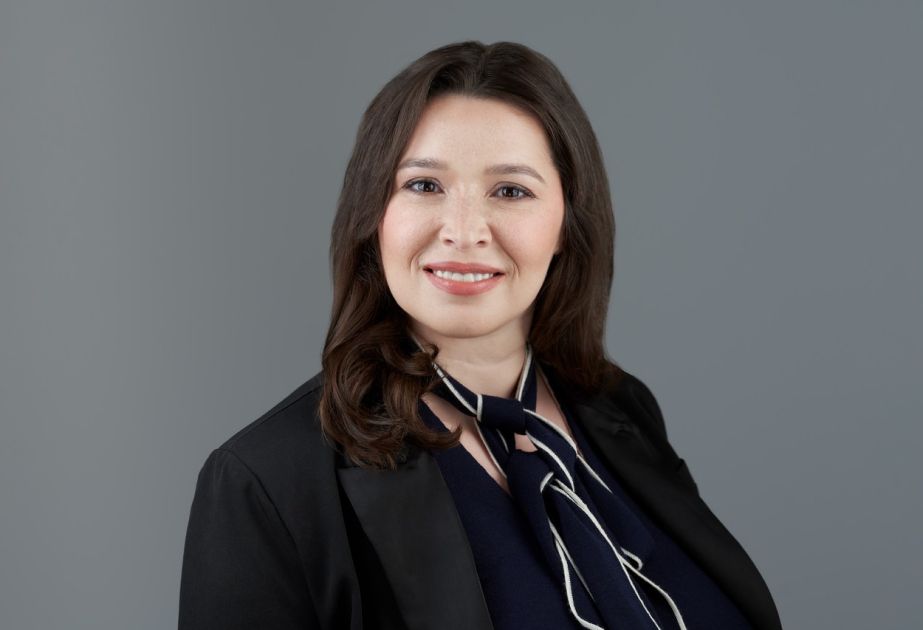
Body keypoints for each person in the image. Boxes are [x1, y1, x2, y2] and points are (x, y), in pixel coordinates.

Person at [178, 40, 783, 630]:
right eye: (424, 185)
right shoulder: (265, 480)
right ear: (373, 214)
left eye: (511, 191)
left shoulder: (622, 409)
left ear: (567, 223)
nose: (464, 232)